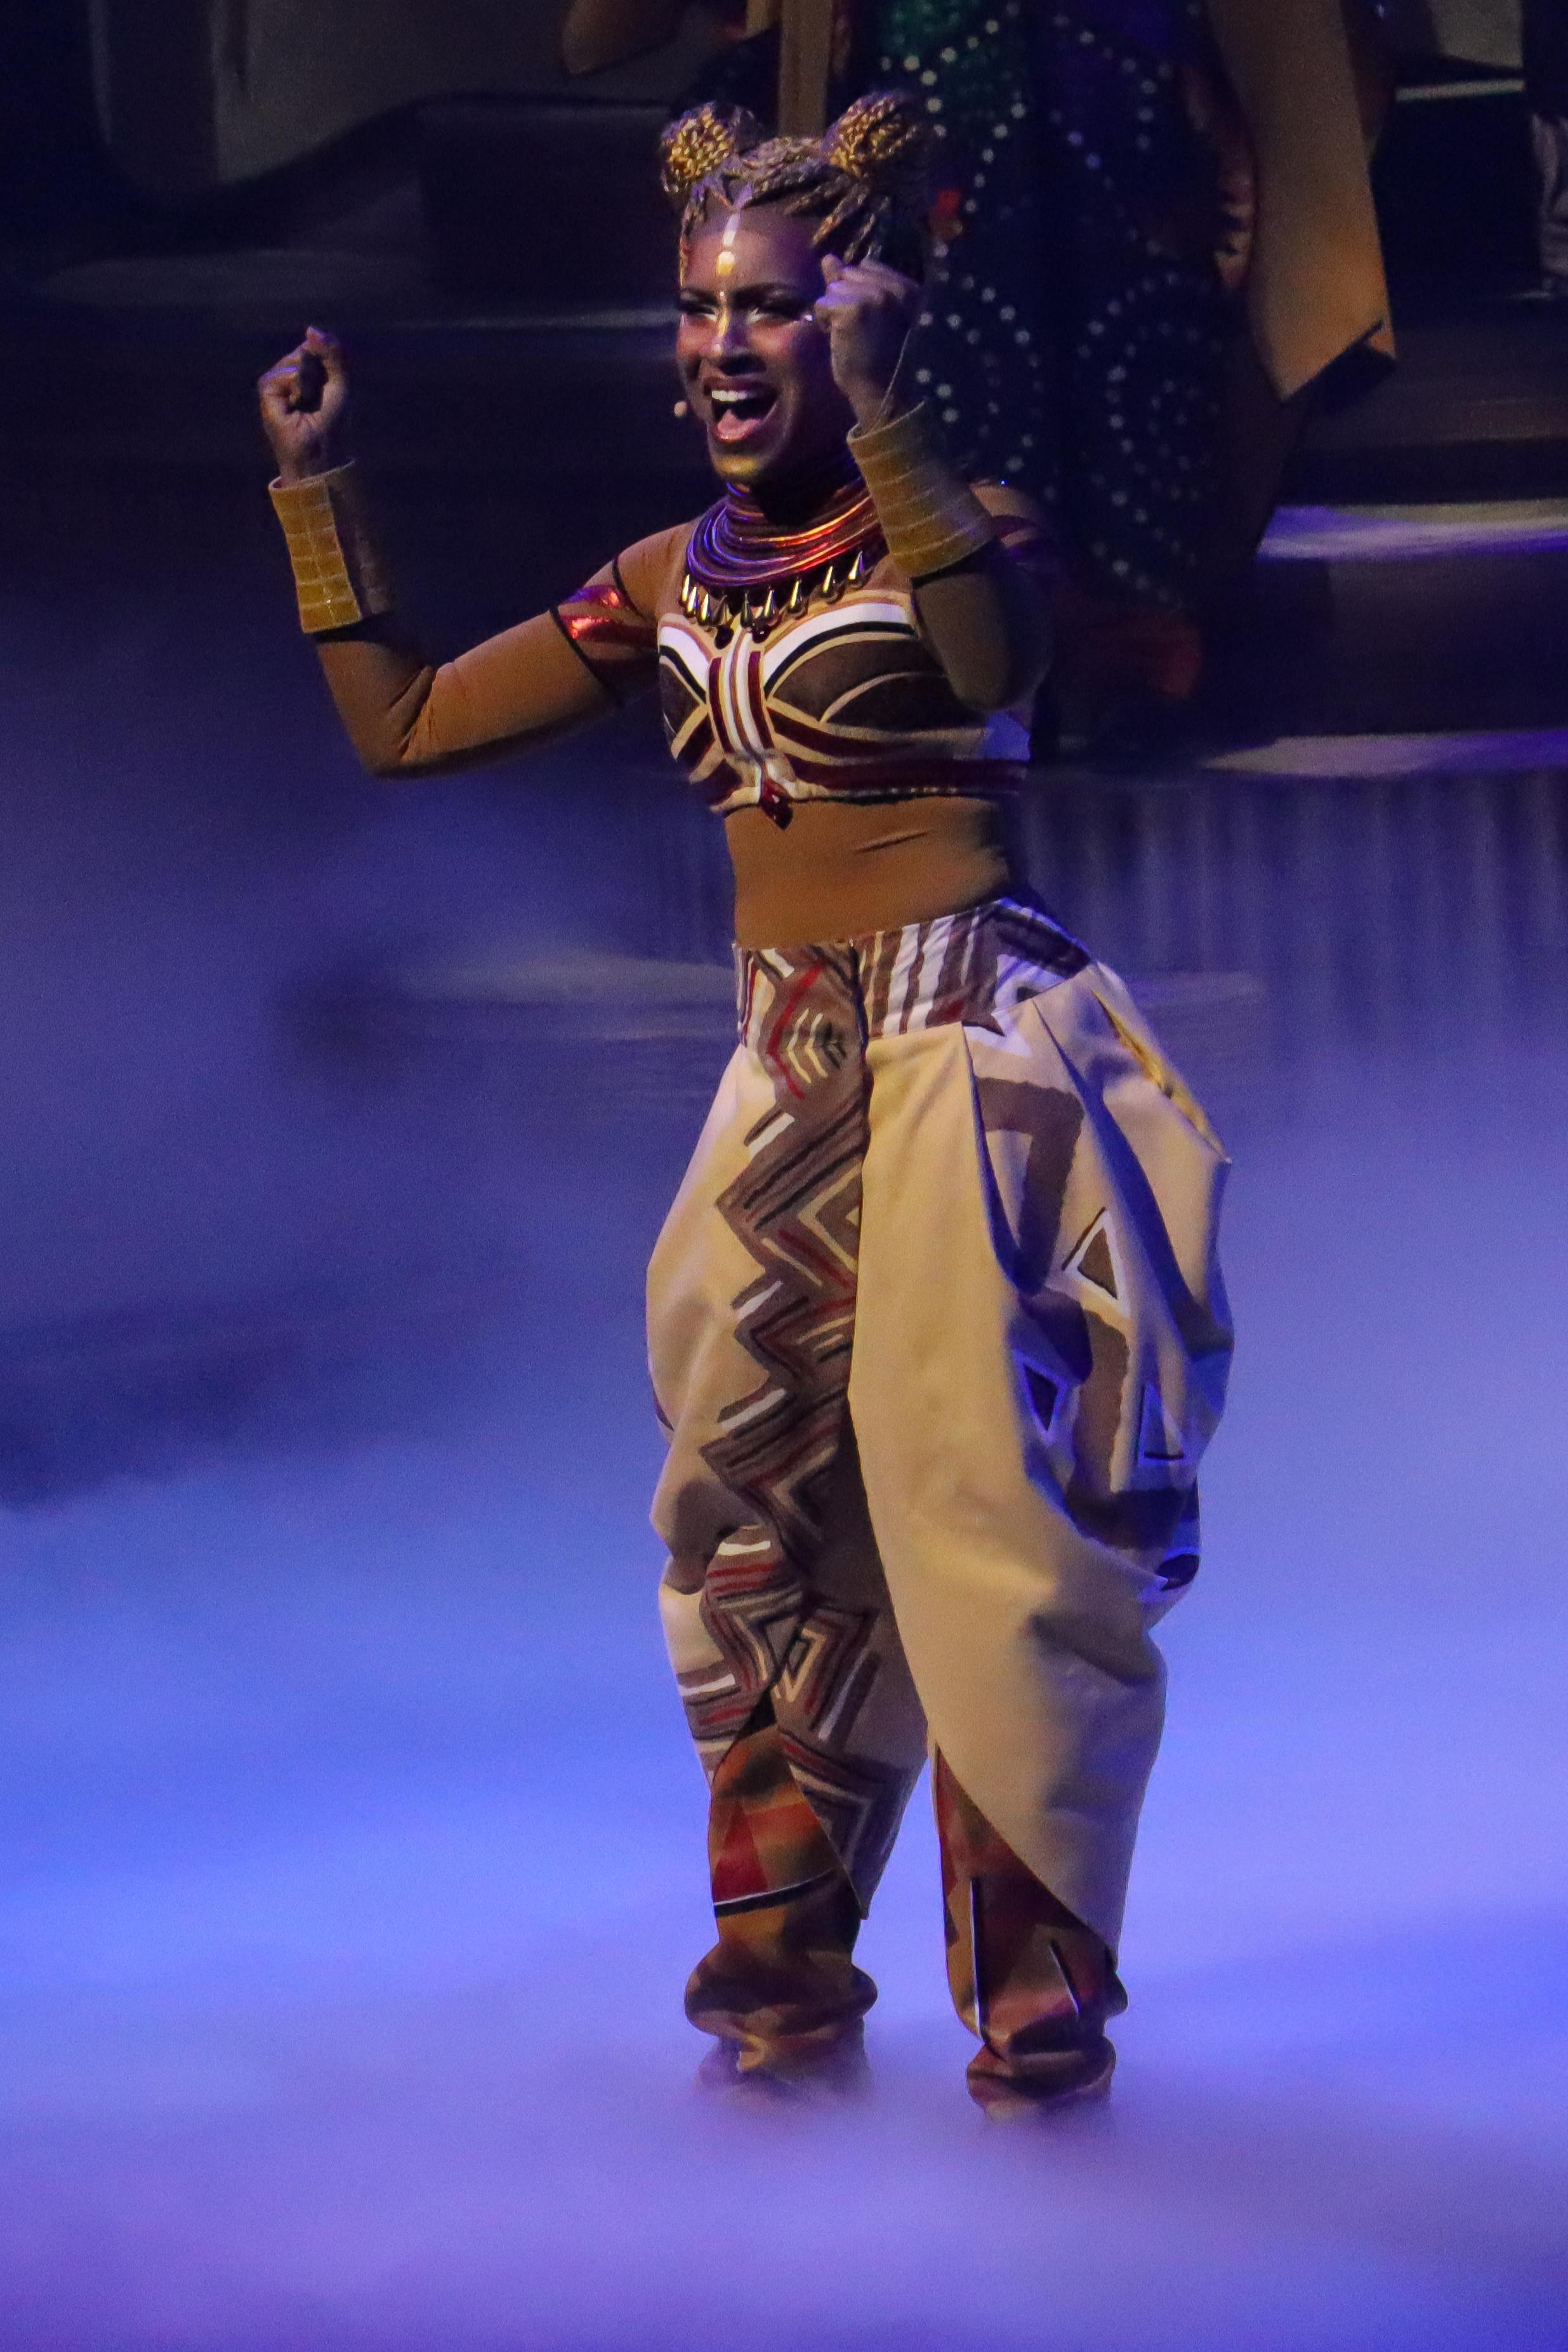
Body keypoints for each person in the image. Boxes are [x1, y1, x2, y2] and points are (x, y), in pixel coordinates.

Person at [258, 91, 1232, 2116]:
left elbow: (989, 656)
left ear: (861, 314)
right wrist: (317, 490)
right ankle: (779, 1987)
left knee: (993, 1539)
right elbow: (410, 725)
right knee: (749, 1533)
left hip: (970, 1067)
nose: (721, 345)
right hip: (785, 1083)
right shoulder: (669, 579)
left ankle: (1038, 2012)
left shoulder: (966, 518)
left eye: (769, 308)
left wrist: (890, 417)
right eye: (699, 308)